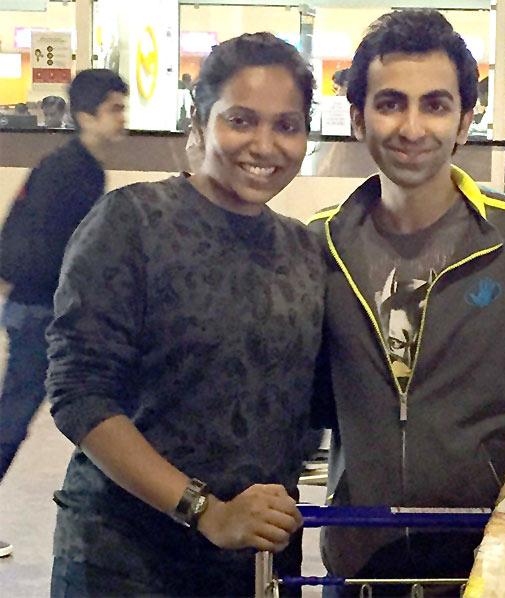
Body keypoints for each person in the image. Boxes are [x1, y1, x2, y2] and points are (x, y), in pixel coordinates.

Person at [309, 10, 505, 597]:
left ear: (465, 120)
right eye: (390, 104)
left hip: (489, 556)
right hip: (357, 553)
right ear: (357, 119)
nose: (413, 127)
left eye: (434, 105)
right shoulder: (318, 247)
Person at [46, 32, 325, 597]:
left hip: (251, 563)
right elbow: (80, 393)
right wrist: (206, 510)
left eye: (286, 125)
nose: (264, 144)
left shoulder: (304, 251)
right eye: (241, 120)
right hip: (126, 558)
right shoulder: (132, 223)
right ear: (199, 124)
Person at [0, 68, 128, 558]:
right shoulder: (78, 172)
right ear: (85, 115)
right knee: (23, 414)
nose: (122, 119)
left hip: (29, 306)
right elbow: (70, 252)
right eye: (114, 109)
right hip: (40, 312)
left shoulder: (63, 165)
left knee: (31, 411)